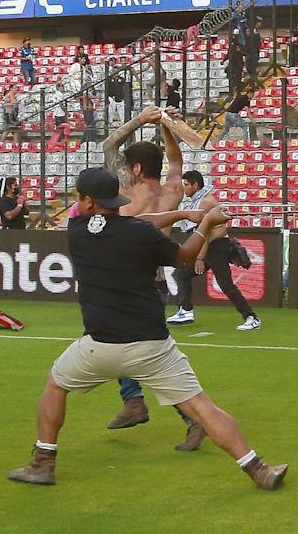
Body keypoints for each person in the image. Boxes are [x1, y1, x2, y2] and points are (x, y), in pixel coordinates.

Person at [6, 167, 287, 492]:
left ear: (86, 201)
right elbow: (183, 257)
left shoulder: (77, 228)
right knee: (202, 408)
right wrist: (206, 223)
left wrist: (183, 213)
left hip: (99, 345)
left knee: (55, 385)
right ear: (115, 200)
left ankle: (43, 463)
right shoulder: (139, 234)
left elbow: (135, 224)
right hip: (151, 346)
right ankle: (258, 470)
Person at [102, 105, 204, 447]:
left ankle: (184, 415)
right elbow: (175, 160)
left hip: (122, 279)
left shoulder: (125, 187)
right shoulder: (172, 191)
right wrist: (166, 126)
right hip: (154, 281)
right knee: (116, 343)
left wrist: (143, 119)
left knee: (140, 353)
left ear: (135, 167)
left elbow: (108, 146)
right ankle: (134, 401)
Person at [168, 171, 262, 332]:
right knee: (180, 274)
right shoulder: (200, 201)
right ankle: (186, 310)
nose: (184, 189)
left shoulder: (205, 202)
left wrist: (199, 258)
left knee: (225, 284)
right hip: (211, 247)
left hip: (217, 246)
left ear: (195, 185)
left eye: (186, 185)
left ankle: (251, 317)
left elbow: (204, 233)